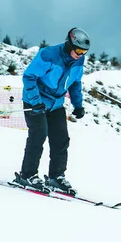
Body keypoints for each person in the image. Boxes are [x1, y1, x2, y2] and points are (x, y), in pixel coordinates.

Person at [13, 27, 90, 195]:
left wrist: (78, 105)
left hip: (56, 104)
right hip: (36, 101)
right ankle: (27, 175)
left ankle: (56, 176)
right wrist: (36, 101)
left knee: (61, 139)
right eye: (78, 50)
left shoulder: (78, 60)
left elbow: (75, 83)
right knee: (38, 134)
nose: (80, 54)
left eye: (84, 52)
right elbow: (29, 77)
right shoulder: (48, 55)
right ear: (69, 44)